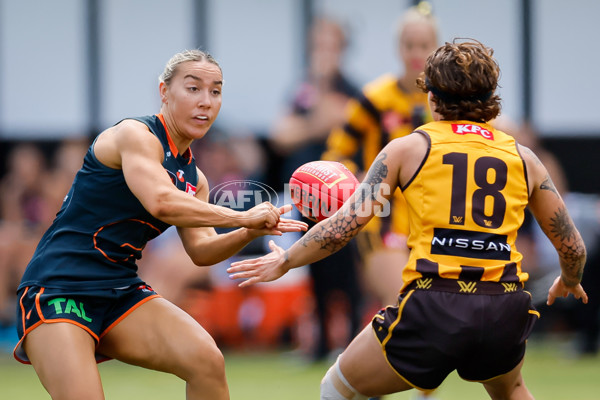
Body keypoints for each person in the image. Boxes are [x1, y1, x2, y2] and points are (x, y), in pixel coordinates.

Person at [227, 39, 588, 399]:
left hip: (435, 305)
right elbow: (573, 246)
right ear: (491, 97)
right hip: (504, 305)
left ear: (431, 96)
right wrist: (569, 279)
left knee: (336, 388)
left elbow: (343, 228)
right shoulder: (524, 158)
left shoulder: (408, 148)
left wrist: (286, 259)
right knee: (511, 391)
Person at [12, 49, 307, 400]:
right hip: (59, 288)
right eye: (193, 88)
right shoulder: (135, 135)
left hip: (120, 290)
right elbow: (161, 201)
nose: (206, 101)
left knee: (207, 360)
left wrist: (249, 231)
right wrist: (242, 215)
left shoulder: (195, 178)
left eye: (215, 91)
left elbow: (202, 251)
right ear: (164, 92)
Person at [322, 2, 439, 307]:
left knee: (431, 310)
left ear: (436, 48)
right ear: (398, 48)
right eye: (408, 44)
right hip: (383, 216)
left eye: (424, 45)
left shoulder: (448, 101)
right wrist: (355, 178)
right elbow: (335, 153)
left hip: (435, 219)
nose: (416, 53)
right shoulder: (375, 98)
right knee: (401, 301)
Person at [270, 16, 364, 361]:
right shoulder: (301, 90)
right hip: (305, 195)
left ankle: (353, 342)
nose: (323, 53)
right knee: (312, 265)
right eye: (318, 45)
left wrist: (311, 119)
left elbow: (339, 120)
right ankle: (320, 343)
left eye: (330, 45)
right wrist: (314, 123)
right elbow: (282, 134)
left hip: (343, 195)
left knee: (348, 270)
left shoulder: (353, 90)